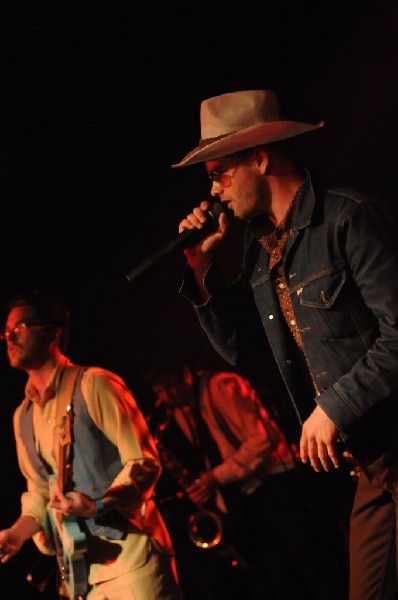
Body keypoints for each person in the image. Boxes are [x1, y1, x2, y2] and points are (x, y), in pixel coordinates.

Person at [172, 88, 398, 599]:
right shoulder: (259, 250)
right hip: (373, 465)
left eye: (219, 173)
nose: (213, 192)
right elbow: (239, 347)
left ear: (260, 157)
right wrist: (203, 267)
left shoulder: (348, 218)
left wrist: (334, 407)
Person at [0, 288, 184, 600]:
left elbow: (144, 462)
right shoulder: (22, 417)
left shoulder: (95, 383)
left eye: (20, 328)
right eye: (6, 332)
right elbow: (40, 491)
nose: (10, 338)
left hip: (134, 561)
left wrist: (99, 504)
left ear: (53, 333)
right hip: (83, 576)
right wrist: (15, 535)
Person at [145, 361, 351, 600]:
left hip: (278, 485)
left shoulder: (222, 385)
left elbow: (262, 440)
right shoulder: (181, 412)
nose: (166, 396)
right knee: (281, 577)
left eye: (169, 386)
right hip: (246, 498)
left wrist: (214, 477)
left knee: (313, 564)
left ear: (185, 375)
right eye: (159, 391)